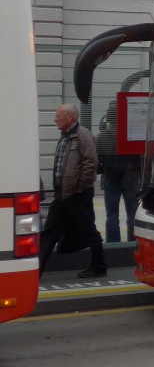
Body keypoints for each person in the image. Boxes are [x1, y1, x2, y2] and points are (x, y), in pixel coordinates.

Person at [40, 103, 107, 278]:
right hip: (62, 194)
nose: (55, 119)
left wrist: (79, 186)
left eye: (58, 116)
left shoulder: (83, 135)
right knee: (49, 232)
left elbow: (91, 163)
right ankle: (36, 270)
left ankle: (99, 267)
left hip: (78, 194)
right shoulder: (65, 136)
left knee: (89, 231)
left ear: (69, 117)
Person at [96, 101, 140, 242]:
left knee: (112, 216)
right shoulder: (132, 136)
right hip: (131, 177)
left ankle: (113, 245)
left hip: (110, 176)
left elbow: (98, 162)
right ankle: (132, 243)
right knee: (132, 214)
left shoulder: (102, 137)